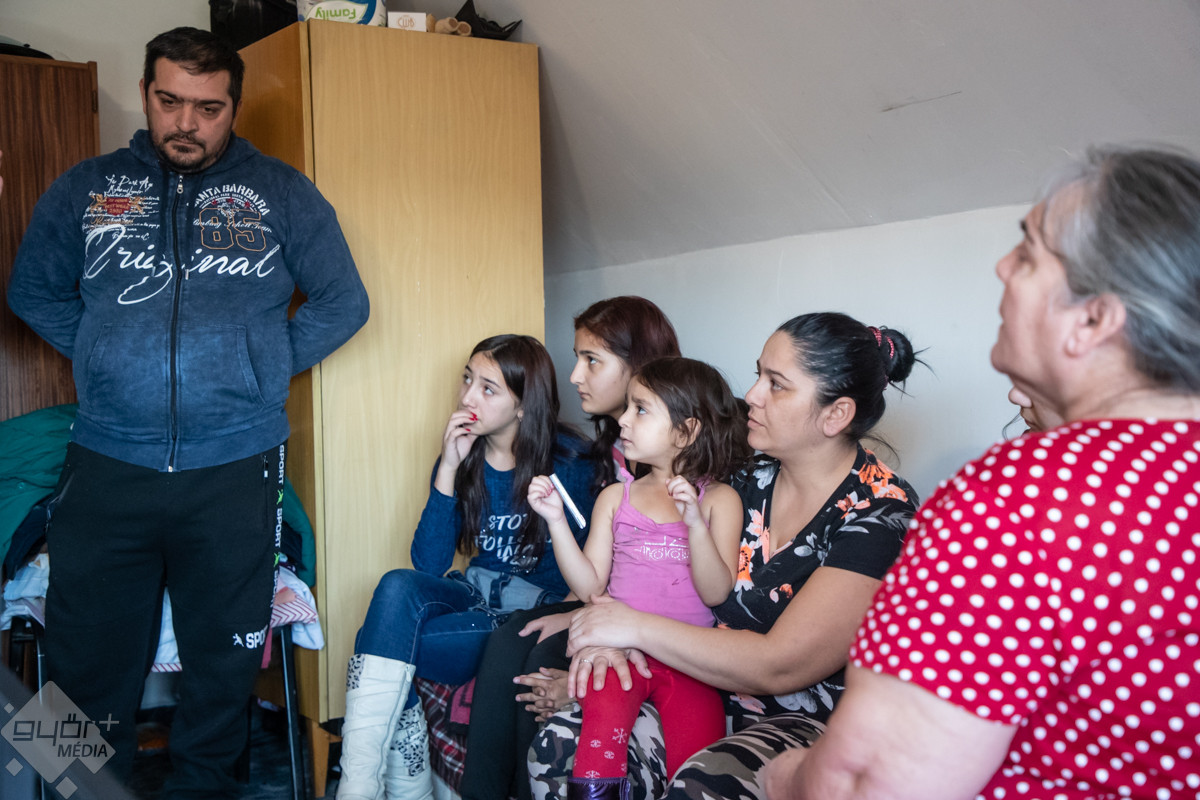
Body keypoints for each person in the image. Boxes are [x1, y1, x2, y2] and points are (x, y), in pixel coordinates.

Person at [762, 146, 1200, 800]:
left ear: (1093, 320)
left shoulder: (1026, 499)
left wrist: (784, 779)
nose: (1002, 267)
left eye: (1027, 254)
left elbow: (866, 783)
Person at [5, 27, 369, 798]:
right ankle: (73, 793)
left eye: (209, 108)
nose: (186, 123)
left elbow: (345, 302)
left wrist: (260, 364)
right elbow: (31, 290)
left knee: (223, 670)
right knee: (78, 664)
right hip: (106, 460)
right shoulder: (87, 187)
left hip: (236, 465)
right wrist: (103, 353)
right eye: (170, 101)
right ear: (146, 95)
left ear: (233, 107)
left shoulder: (282, 193)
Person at [529, 312, 920, 800]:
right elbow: (649, 568)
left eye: (776, 384)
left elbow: (780, 665)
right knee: (561, 745)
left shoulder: (882, 513)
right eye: (758, 375)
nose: (752, 395)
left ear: (835, 414)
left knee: (703, 782)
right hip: (688, 680)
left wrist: (630, 628)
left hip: (799, 722)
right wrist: (598, 648)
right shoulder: (741, 479)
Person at [337, 334, 598, 800]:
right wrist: (448, 468)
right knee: (396, 585)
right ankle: (361, 784)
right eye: (467, 380)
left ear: (524, 406)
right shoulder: (466, 453)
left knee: (382, 644)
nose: (467, 397)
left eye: (487, 388)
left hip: (519, 616)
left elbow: (592, 571)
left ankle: (377, 786)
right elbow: (429, 564)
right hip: (472, 594)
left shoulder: (570, 462)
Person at [460, 296, 681, 800]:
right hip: (599, 596)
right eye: (577, 358)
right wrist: (575, 610)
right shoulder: (608, 451)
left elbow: (661, 572)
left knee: (539, 653)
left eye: (592, 361)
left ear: (637, 366)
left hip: (640, 609)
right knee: (510, 638)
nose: (576, 375)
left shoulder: (667, 461)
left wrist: (578, 615)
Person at [527, 357, 750, 798]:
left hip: (691, 662)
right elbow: (589, 587)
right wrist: (555, 521)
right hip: (618, 658)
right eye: (627, 407)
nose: (623, 420)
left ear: (686, 431)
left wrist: (695, 525)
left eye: (640, 409)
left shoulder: (719, 500)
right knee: (598, 748)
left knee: (695, 769)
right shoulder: (616, 497)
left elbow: (715, 592)